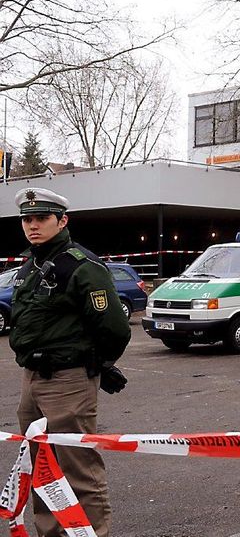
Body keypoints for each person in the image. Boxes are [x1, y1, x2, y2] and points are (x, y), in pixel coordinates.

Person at [10, 188, 131, 537]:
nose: (33, 226)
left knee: (77, 467)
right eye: (27, 219)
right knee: (42, 466)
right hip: (31, 378)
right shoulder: (30, 264)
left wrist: (97, 364)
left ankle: (90, 532)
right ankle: (52, 532)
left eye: (42, 218)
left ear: (62, 220)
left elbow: (114, 328)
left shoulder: (82, 266)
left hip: (67, 380)